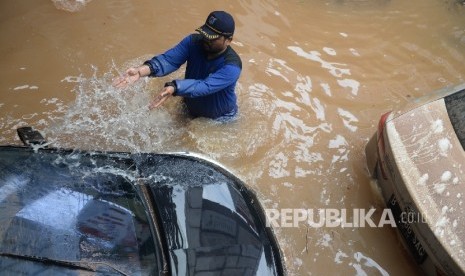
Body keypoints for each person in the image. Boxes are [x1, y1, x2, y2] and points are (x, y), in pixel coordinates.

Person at [113, 11, 242, 121]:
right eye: (205, 34)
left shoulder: (232, 66)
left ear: (228, 40)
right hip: (188, 107)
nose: (206, 40)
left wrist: (175, 87)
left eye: (212, 38)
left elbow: (205, 86)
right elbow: (169, 60)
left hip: (219, 120)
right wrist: (141, 71)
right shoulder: (193, 42)